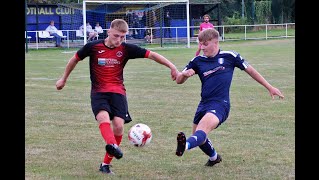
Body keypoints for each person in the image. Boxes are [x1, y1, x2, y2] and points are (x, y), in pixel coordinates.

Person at [55, 19, 179, 175]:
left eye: (122, 37)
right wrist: (63, 79)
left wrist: (172, 67)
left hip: (118, 92)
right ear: (108, 31)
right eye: (116, 36)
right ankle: (113, 145)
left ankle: (105, 164)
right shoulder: (93, 47)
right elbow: (74, 59)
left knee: (119, 126)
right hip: (99, 92)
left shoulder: (126, 49)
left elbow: (152, 55)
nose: (119, 40)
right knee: (103, 119)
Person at [175, 28, 284, 167]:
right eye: (200, 44)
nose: (201, 47)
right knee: (199, 137)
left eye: (205, 44)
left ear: (215, 42)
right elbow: (178, 80)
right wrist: (184, 75)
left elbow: (250, 70)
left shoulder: (230, 56)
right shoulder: (197, 61)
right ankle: (214, 158)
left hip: (221, 104)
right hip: (203, 104)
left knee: (200, 132)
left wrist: (269, 87)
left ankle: (184, 146)